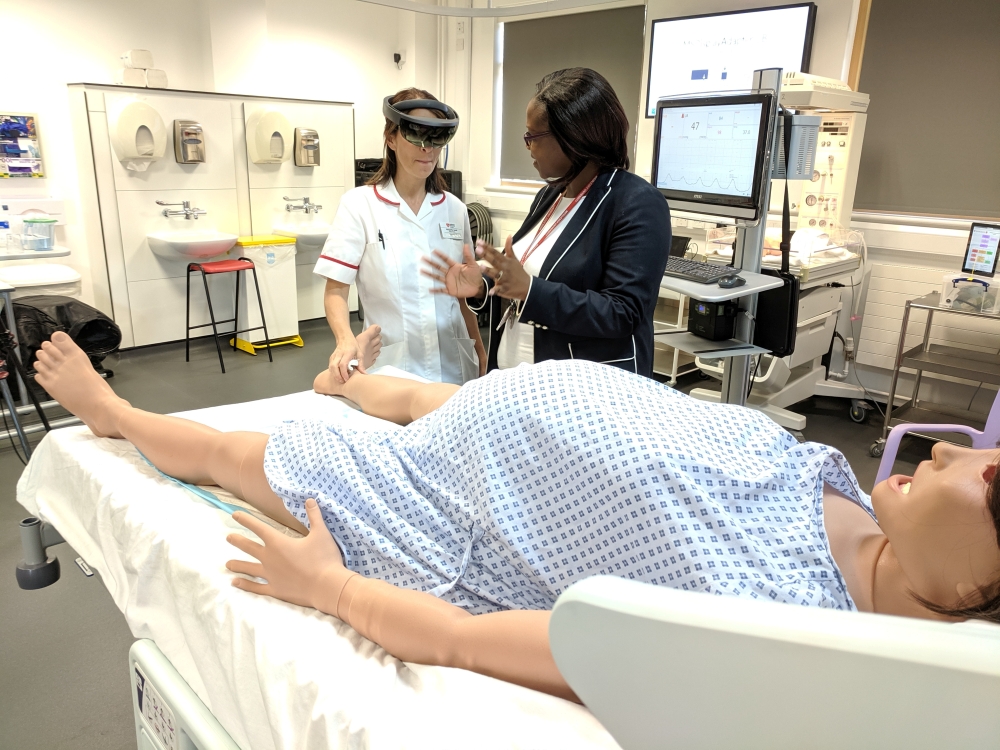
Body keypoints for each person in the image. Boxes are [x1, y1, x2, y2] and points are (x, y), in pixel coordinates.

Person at [34, 332, 1000, 703]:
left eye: (991, 480)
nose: (953, 451)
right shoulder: (849, 492)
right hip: (490, 414)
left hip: (451, 506)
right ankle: (351, 383)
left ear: (974, 590)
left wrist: (330, 588)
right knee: (402, 396)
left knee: (247, 455)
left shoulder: (771, 630)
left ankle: (113, 414)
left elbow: (463, 641)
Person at [423, 68, 671, 376]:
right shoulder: (550, 195)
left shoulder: (636, 203)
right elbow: (528, 278)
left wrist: (530, 291)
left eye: (533, 136)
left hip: (583, 389)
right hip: (518, 378)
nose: (527, 146)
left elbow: (623, 312)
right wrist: (483, 286)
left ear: (573, 137)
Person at [316, 88, 485, 385]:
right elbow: (336, 290)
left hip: (454, 366)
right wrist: (345, 340)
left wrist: (479, 349)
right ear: (391, 139)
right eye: (416, 135)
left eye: (436, 137)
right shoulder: (360, 206)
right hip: (392, 368)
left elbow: (460, 295)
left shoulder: (455, 209)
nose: (427, 149)